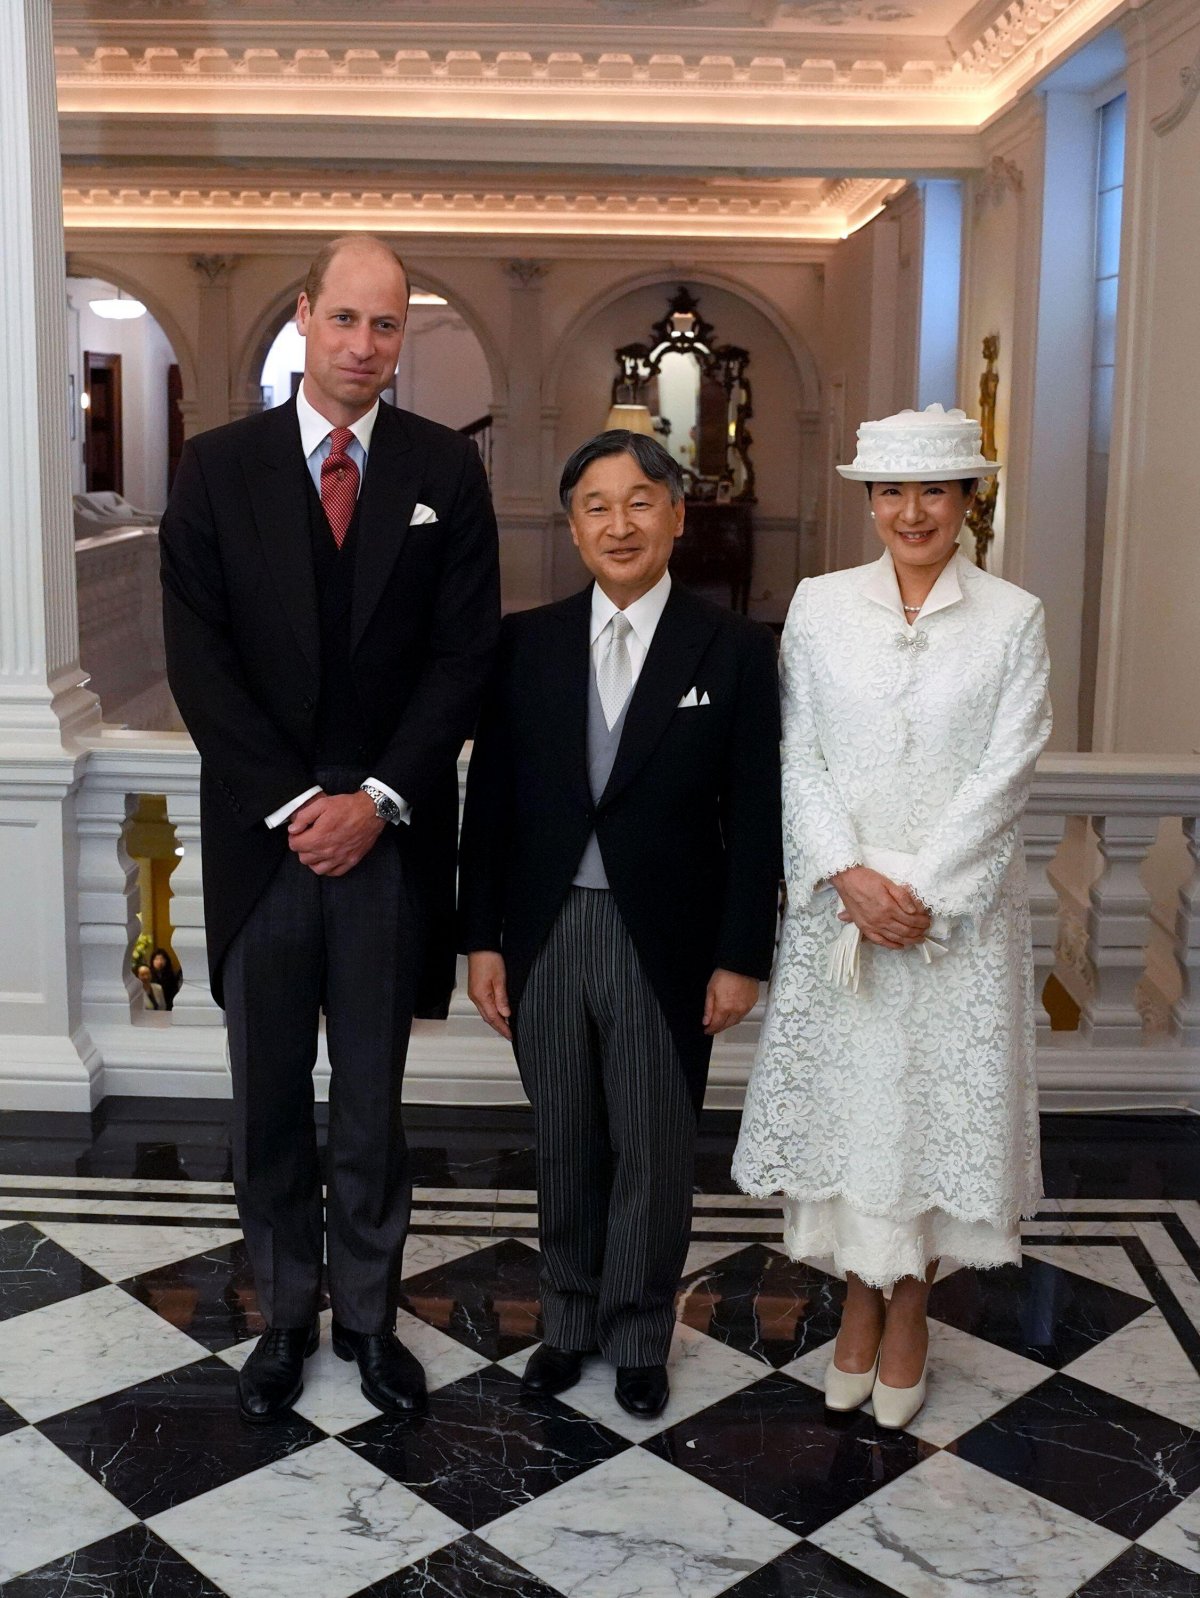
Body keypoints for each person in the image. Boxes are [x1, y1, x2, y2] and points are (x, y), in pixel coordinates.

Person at [160, 233, 500, 1423]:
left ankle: (367, 1314)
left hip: (390, 844)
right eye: (346, 319)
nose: (365, 345)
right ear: (305, 317)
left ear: (404, 335)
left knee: (370, 1102)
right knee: (265, 1103)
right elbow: (197, 661)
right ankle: (284, 1313)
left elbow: (465, 659)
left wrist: (378, 802)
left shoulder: (443, 472)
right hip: (265, 849)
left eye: (389, 325)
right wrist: (300, 805)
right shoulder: (216, 467)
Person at [733, 403, 1052, 1430]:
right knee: (858, 1115)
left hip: (956, 926)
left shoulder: (1014, 617)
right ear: (868, 500)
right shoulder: (821, 607)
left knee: (929, 1121)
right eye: (891, 492)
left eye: (935, 490)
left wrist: (920, 889)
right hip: (846, 916)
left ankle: (909, 1303)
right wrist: (848, 876)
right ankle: (855, 1300)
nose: (911, 511)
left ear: (969, 499)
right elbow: (795, 753)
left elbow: (1010, 769)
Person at [459, 431, 781, 1419]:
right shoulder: (528, 642)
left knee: (650, 1141)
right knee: (563, 1136)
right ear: (572, 526)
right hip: (547, 930)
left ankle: (640, 1328)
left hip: (666, 938)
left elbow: (757, 811)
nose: (619, 522)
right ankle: (567, 1317)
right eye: (596, 504)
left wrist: (738, 954)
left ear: (677, 515)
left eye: (641, 500)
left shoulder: (730, 648)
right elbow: (494, 803)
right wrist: (481, 937)